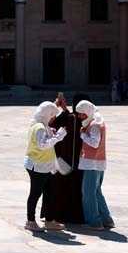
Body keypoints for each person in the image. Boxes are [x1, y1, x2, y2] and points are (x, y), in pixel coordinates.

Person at [23, 100, 68, 232]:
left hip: (45, 166)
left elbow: (45, 138)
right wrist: (59, 136)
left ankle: (49, 221)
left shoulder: (40, 124)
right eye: (52, 115)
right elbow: (43, 145)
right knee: (35, 193)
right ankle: (30, 221)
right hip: (38, 166)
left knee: (49, 193)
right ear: (47, 114)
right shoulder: (40, 127)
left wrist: (52, 133)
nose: (54, 118)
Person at [46, 95, 85, 228]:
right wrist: (64, 109)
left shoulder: (68, 118)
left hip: (61, 161)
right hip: (76, 162)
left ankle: (55, 216)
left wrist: (60, 107)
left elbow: (51, 121)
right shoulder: (82, 119)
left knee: (58, 189)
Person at [77, 99, 114, 230]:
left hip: (92, 163)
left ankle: (94, 221)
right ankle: (106, 219)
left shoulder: (94, 125)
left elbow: (94, 143)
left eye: (82, 114)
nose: (80, 117)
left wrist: (82, 135)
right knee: (96, 191)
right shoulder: (98, 121)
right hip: (98, 162)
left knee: (88, 192)